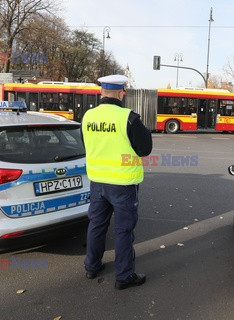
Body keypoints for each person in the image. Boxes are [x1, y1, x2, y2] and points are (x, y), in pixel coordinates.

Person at [81, 74, 153, 290]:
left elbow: (87, 145)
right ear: (122, 93)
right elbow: (145, 149)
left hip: (97, 182)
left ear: (101, 93)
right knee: (123, 230)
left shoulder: (87, 117)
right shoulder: (129, 118)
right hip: (122, 184)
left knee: (96, 224)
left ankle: (92, 267)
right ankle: (124, 276)